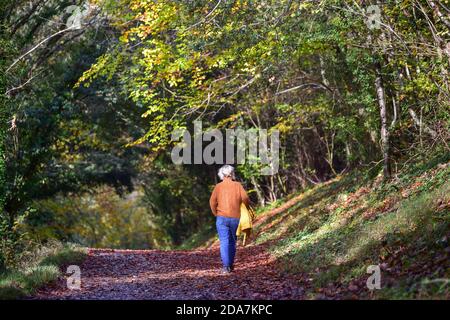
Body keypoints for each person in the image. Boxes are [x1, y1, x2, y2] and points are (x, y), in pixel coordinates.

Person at [209, 165, 250, 274]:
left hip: (221, 218)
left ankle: (226, 266)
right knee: (232, 241)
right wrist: (245, 207)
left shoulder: (218, 187)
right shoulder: (237, 185)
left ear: (221, 175)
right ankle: (230, 265)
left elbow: (212, 202)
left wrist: (216, 213)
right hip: (235, 218)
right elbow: (245, 198)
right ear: (232, 174)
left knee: (224, 242)